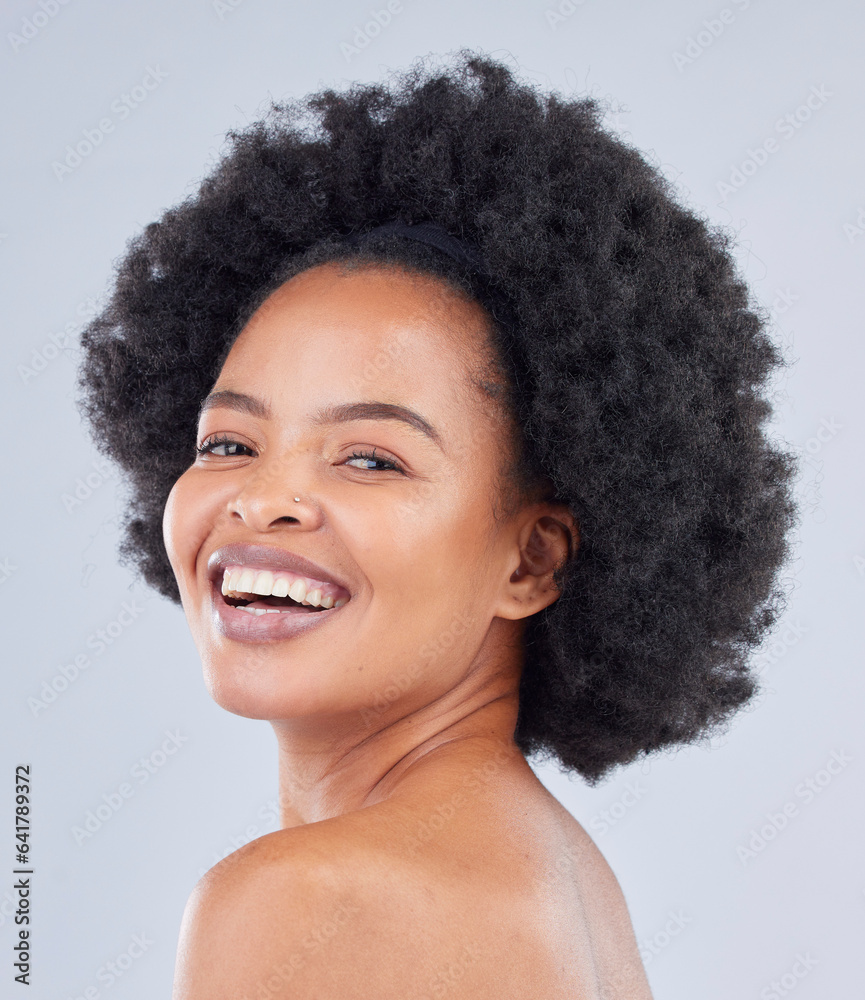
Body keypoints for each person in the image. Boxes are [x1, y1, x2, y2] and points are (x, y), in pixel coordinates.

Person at [77, 50, 797, 998]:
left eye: (370, 458)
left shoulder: (306, 900)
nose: (263, 497)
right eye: (227, 444)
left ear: (531, 562)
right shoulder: (564, 883)